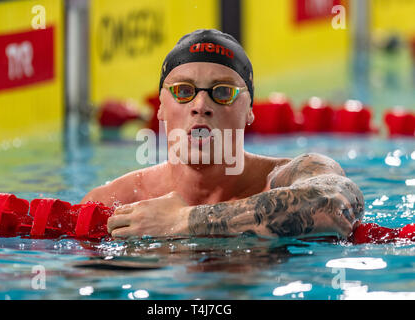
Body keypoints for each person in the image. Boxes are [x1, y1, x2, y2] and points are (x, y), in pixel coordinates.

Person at [81, 29, 364, 240]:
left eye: (223, 92)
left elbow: (336, 203)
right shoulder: (116, 201)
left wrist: (185, 220)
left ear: (250, 110)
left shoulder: (287, 176)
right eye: (183, 91)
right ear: (160, 109)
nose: (201, 106)